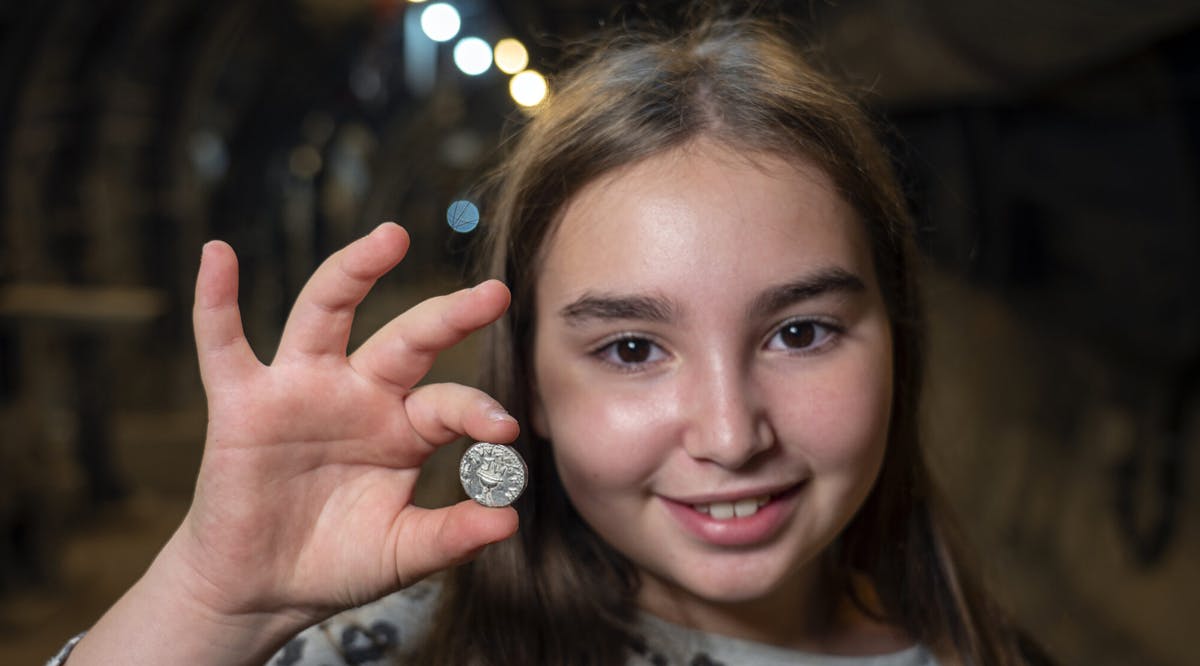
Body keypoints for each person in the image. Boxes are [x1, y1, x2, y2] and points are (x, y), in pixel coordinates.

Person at [54, 11, 1041, 666]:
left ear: (899, 337)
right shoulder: (409, 649)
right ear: (529, 388)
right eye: (630, 350)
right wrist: (214, 601)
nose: (732, 436)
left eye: (799, 331)